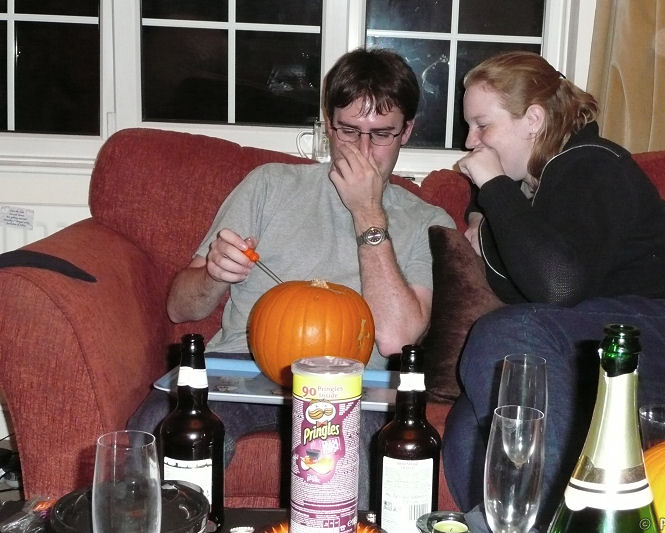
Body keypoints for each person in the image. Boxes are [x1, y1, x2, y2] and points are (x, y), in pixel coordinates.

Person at [128, 47, 455, 508]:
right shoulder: (269, 185)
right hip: (239, 369)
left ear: (407, 132)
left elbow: (396, 339)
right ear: (327, 123)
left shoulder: (427, 219)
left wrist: (367, 212)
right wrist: (215, 274)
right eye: (348, 131)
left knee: (349, 468)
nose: (363, 150)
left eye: (381, 135)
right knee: (157, 432)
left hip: (349, 388)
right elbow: (181, 308)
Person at [441, 50, 665, 527]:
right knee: (474, 418)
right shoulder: (538, 191)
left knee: (500, 335)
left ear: (533, 119)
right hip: (614, 345)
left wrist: (491, 185)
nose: (471, 142)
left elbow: (556, 287)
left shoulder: (591, 163)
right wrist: (486, 213)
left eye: (482, 125)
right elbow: (528, 290)